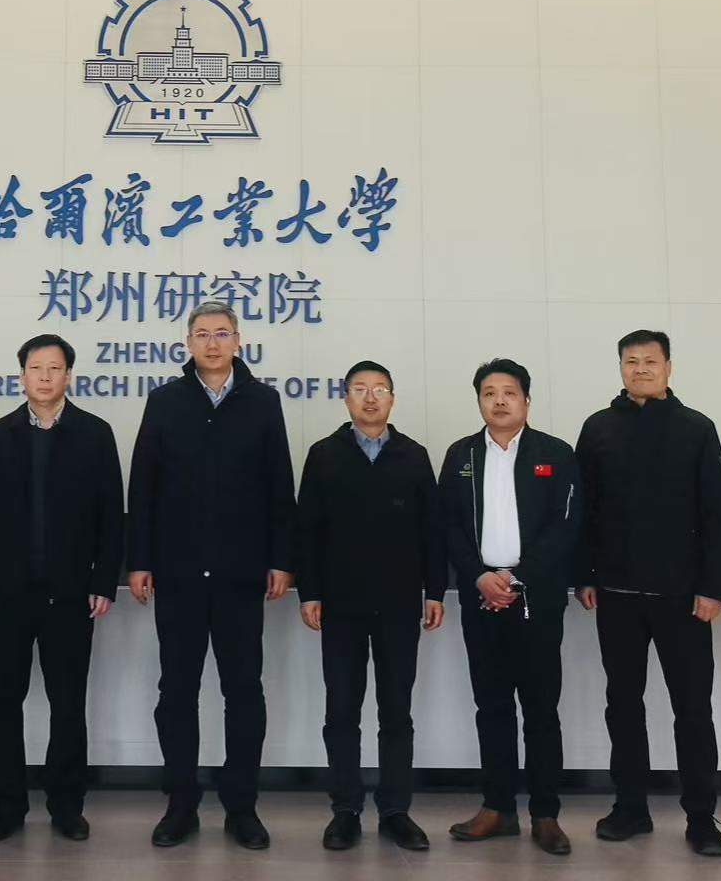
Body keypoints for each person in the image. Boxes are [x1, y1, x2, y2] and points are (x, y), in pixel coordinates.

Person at [127, 300, 296, 850]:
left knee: (243, 690)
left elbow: (279, 486)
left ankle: (241, 807)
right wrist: (139, 560)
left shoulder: (263, 402)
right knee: (176, 691)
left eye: (222, 333)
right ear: (188, 342)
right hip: (177, 573)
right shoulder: (165, 401)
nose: (212, 343)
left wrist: (281, 559)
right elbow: (143, 487)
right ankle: (180, 804)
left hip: (241, 574)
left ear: (238, 341)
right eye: (202, 334)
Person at [574, 329, 721, 857]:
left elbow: (716, 514)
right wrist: (585, 574)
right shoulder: (598, 428)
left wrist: (713, 588)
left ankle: (702, 818)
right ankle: (630, 807)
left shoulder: (697, 428)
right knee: (623, 703)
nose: (640, 369)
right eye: (630, 361)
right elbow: (583, 510)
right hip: (616, 593)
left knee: (693, 708)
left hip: (684, 597)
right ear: (620, 368)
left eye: (649, 360)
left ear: (668, 367)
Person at [0, 334, 125, 844]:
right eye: (37, 368)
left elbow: (111, 515)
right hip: (5, 595)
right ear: (22, 376)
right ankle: (6, 807)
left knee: (68, 703)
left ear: (69, 376)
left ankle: (67, 805)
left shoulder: (95, 434)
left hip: (71, 595)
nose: (46, 376)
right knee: (3, 705)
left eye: (55, 368)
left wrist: (104, 581)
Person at [295, 360, 445, 853]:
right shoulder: (324, 455)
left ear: (392, 399)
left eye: (380, 389)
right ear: (346, 399)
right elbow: (308, 530)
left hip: (399, 603)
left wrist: (435, 591)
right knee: (341, 708)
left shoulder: (413, 456)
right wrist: (310, 592)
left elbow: (432, 531)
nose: (370, 397)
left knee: (396, 710)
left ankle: (396, 809)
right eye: (360, 389)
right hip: (340, 604)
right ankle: (345, 809)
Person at [443, 358, 581, 857]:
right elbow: (448, 524)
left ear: (526, 400)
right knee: (492, 706)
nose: (499, 400)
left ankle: (546, 814)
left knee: (541, 708)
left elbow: (566, 525)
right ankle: (496, 808)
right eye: (489, 393)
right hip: (481, 596)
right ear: (479, 401)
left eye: (509, 392)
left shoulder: (555, 453)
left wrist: (518, 578)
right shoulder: (461, 454)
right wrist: (479, 576)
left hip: (536, 600)